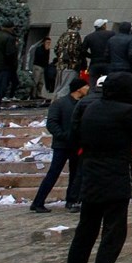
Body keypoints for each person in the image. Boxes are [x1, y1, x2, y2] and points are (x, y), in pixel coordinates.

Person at [64, 72, 132, 263]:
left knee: (85, 231)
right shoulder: (128, 112)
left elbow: (75, 135)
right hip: (116, 175)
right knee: (113, 233)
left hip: (90, 173)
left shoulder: (91, 107)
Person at [31, 77, 89, 213]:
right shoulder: (60, 104)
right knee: (54, 173)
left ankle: (71, 200)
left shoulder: (81, 104)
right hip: (62, 145)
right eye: (85, 86)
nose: (88, 89)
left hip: (76, 145)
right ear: (79, 88)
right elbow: (52, 123)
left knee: (75, 174)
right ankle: (38, 201)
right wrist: (64, 136)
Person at [52, 17, 85, 98]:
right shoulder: (74, 35)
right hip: (71, 65)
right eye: (79, 23)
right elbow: (73, 50)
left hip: (60, 65)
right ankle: (62, 103)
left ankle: (55, 101)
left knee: (59, 85)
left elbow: (56, 48)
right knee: (67, 86)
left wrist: (60, 58)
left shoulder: (64, 35)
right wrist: (77, 60)